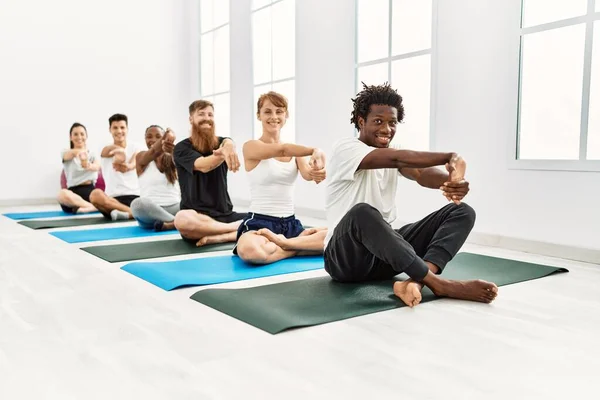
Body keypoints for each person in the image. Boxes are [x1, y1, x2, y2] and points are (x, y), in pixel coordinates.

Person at [323, 82, 498, 308]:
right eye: (378, 121)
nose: (386, 129)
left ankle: (416, 282)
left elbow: (420, 173)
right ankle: (439, 284)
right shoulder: (345, 149)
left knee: (462, 212)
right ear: (360, 122)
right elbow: (399, 159)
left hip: (384, 259)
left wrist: (451, 181)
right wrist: (450, 157)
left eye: (392, 123)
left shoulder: (395, 154)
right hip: (346, 260)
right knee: (362, 213)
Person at [231, 91, 328, 264]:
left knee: (336, 237)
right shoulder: (251, 147)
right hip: (260, 223)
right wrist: (316, 150)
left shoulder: (296, 153)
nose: (274, 116)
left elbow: (309, 175)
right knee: (250, 251)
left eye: (279, 111)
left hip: (290, 224)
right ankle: (296, 248)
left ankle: (285, 245)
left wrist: (318, 170)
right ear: (258, 115)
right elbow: (282, 149)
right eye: (267, 111)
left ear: (286, 115)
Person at [173, 100, 246, 246]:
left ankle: (220, 237)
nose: (207, 118)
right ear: (191, 119)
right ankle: (235, 230)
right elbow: (203, 165)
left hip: (226, 215)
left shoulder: (223, 143)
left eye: (210, 115)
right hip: (197, 217)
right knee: (181, 219)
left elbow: (228, 141)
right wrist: (223, 152)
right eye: (201, 114)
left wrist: (229, 145)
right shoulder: (181, 148)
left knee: (270, 217)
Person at [89, 113, 143, 220]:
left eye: (122, 127)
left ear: (127, 129)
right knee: (95, 195)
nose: (119, 131)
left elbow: (136, 160)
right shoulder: (105, 147)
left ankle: (126, 214)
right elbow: (107, 152)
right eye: (115, 128)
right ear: (110, 129)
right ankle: (133, 214)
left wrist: (128, 166)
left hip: (134, 197)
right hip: (112, 201)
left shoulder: (136, 146)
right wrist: (120, 152)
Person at [130, 125, 181, 231]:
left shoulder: (173, 156)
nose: (153, 140)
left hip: (176, 207)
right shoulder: (140, 157)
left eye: (158, 136)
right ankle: (178, 222)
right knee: (137, 204)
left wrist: (173, 150)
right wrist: (167, 136)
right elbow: (154, 151)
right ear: (145, 139)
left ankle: (170, 224)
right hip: (150, 212)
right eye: (149, 136)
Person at [57, 123, 100, 214]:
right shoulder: (65, 152)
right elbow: (70, 154)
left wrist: (88, 165)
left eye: (82, 134)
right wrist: (80, 153)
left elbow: (97, 166)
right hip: (72, 194)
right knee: (61, 194)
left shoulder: (92, 154)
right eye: (75, 134)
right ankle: (93, 207)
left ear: (86, 136)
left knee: (101, 195)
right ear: (70, 137)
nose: (79, 137)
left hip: (90, 191)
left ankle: (85, 207)